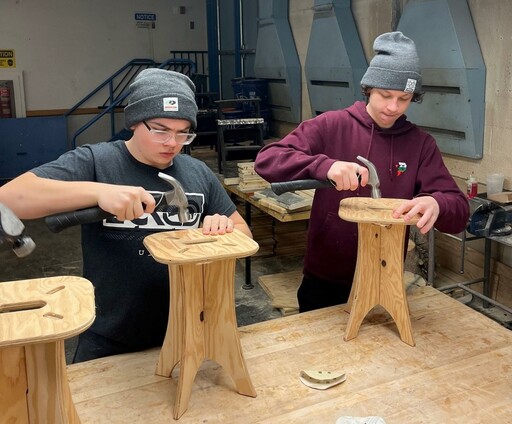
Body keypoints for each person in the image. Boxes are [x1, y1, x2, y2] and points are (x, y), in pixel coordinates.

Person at [0, 68, 252, 362]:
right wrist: (97, 193)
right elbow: (10, 198)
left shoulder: (198, 172)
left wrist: (223, 228)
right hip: (109, 335)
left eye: (183, 132)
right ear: (134, 122)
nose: (172, 143)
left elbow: (243, 234)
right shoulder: (97, 161)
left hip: (188, 328)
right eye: (160, 130)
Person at [254, 31, 469, 313]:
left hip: (385, 278)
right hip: (325, 278)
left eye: (404, 98)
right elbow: (267, 160)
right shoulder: (331, 125)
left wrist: (436, 203)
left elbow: (459, 212)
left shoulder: (420, 144)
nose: (393, 107)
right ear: (368, 88)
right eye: (385, 95)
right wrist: (325, 166)